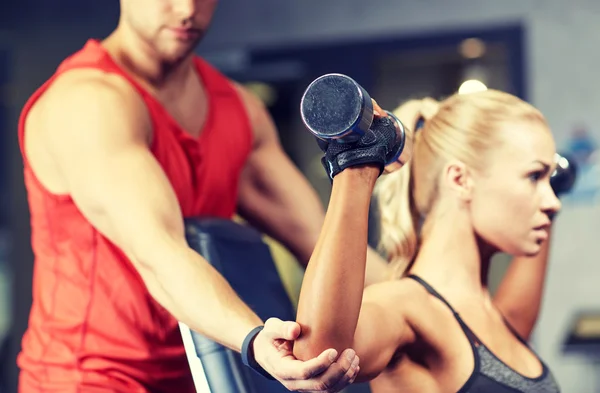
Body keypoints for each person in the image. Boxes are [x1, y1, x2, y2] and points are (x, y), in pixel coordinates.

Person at [15, 0, 396, 391]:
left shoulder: (237, 110)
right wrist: (254, 339)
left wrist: (434, 298)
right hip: (85, 377)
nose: (186, 10)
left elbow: (321, 239)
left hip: (197, 375)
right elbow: (159, 253)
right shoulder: (86, 103)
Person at [293, 90, 563, 392]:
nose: (554, 203)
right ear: (460, 180)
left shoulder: (494, 315)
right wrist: (355, 164)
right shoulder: (403, 309)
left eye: (550, 181)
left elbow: (522, 307)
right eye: (534, 176)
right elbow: (316, 356)